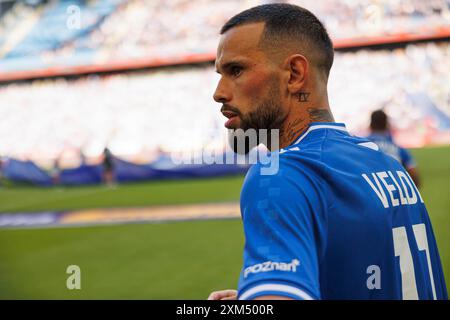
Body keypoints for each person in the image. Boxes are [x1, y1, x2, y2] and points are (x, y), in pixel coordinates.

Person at [208, 4, 446, 300]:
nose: (218, 92)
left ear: (294, 74)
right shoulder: (388, 165)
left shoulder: (280, 174)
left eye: (236, 70)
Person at [367, 109, 421, 188]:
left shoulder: (360, 146)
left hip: (371, 191)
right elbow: (414, 175)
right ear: (387, 125)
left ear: (370, 125)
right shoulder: (398, 148)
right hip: (394, 191)